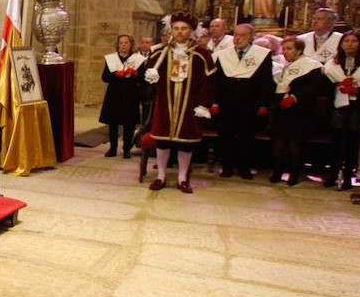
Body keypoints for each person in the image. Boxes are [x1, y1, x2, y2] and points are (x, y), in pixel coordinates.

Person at [140, 12, 215, 193]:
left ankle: (182, 178)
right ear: (171, 30)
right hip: (165, 104)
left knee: (186, 142)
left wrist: (204, 104)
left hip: (189, 105)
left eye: (184, 29)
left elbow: (209, 82)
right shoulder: (159, 52)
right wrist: (150, 77)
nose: (180, 32)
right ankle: (161, 176)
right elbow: (146, 81)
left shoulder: (202, 54)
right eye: (176, 28)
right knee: (163, 141)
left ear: (191, 31)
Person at [212, 22, 274, 179]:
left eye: (242, 35)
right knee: (225, 135)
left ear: (251, 37)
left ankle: (244, 168)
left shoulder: (262, 54)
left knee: (246, 136)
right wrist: (215, 101)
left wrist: (263, 103)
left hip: (250, 102)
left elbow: (266, 81)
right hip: (227, 102)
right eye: (235, 35)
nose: (237, 39)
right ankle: (226, 166)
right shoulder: (224, 54)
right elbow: (216, 81)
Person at [322, 31, 360, 190]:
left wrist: (357, 91)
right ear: (341, 44)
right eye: (346, 41)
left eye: (353, 41)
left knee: (353, 141)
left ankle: (349, 175)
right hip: (338, 104)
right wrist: (340, 86)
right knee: (336, 140)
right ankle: (333, 173)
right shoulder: (334, 62)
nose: (349, 44)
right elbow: (326, 83)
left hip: (359, 105)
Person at [269, 37, 330, 185]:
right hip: (281, 109)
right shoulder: (282, 65)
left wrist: (295, 97)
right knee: (278, 141)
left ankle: (293, 174)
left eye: (289, 48)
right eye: (283, 49)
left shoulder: (311, 65)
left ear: (299, 50)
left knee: (294, 143)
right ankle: (277, 172)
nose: (285, 52)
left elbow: (315, 87)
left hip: (301, 110)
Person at [100, 34, 143, 159]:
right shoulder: (111, 59)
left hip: (130, 94)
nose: (123, 45)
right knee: (113, 123)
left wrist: (135, 73)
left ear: (131, 45)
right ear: (117, 45)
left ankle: (126, 149)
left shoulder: (137, 59)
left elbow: (143, 78)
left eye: (126, 43)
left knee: (129, 124)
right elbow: (105, 77)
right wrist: (116, 74)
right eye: (121, 43)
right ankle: (112, 148)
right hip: (114, 94)